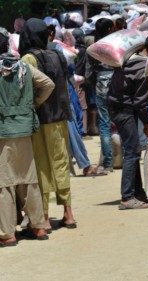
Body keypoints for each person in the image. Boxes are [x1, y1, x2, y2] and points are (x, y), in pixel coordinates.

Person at [19, 18, 76, 230]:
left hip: (40, 120)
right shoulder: (57, 55)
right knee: (60, 162)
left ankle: (43, 216)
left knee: (41, 166)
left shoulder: (27, 59)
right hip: (59, 118)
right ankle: (68, 213)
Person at [0, 29, 53, 246]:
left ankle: (7, 233)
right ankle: (38, 226)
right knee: (28, 179)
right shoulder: (23, 66)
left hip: (3, 132)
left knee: (5, 183)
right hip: (25, 128)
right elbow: (48, 84)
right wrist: (33, 104)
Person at [108, 37, 148, 210]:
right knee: (132, 152)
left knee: (131, 149)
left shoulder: (127, 59)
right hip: (124, 110)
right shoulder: (143, 67)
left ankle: (137, 192)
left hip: (117, 107)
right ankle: (127, 197)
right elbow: (141, 102)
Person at [88, 18, 115, 172]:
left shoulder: (93, 48)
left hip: (100, 84)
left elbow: (88, 73)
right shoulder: (115, 45)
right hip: (116, 83)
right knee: (121, 120)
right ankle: (125, 158)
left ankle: (108, 163)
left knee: (104, 123)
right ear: (110, 29)